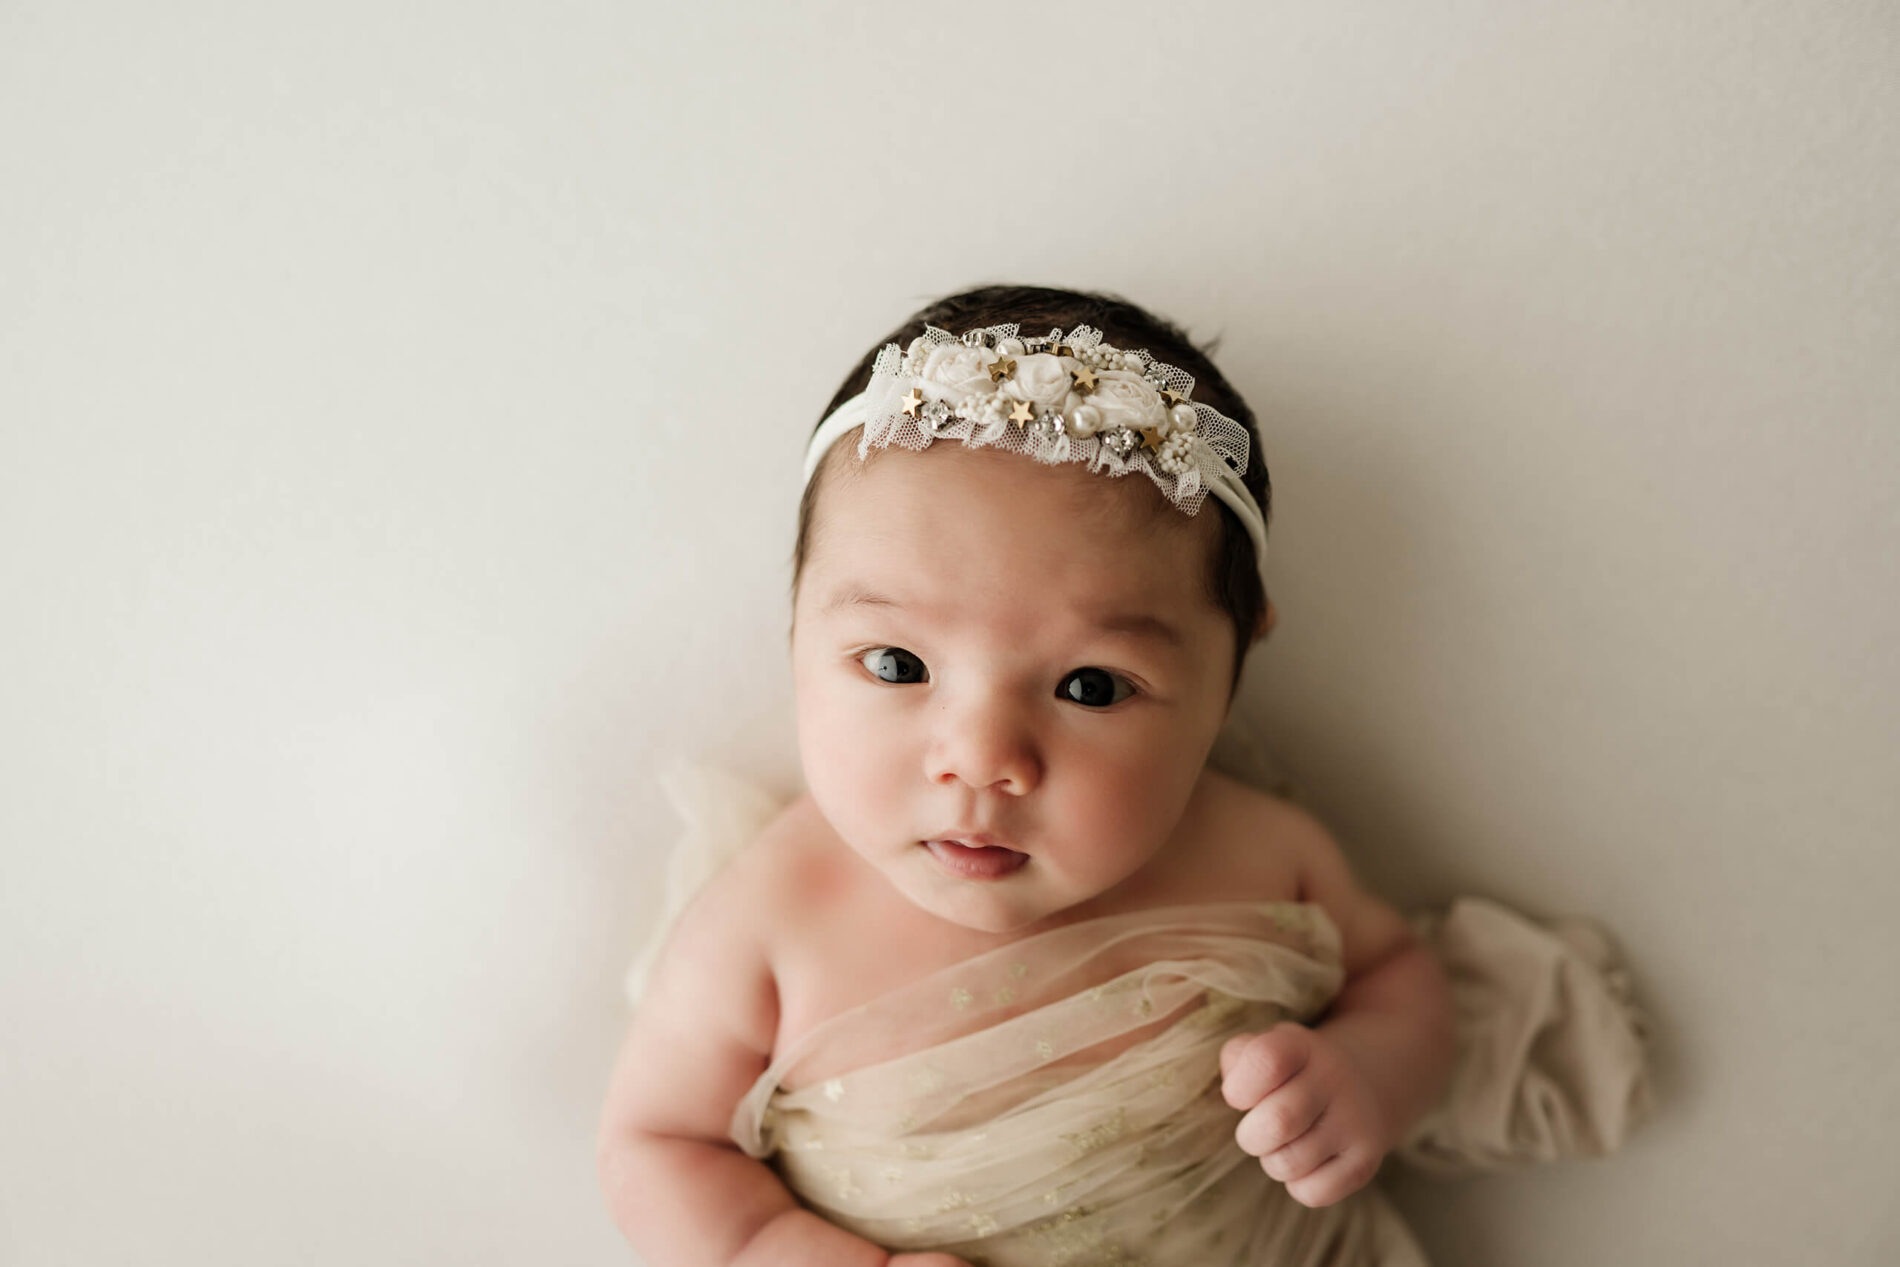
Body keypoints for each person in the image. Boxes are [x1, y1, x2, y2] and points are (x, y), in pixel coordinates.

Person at [596, 284, 1654, 1266]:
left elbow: (1399, 978)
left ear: (1226, 676)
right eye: (896, 664)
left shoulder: (1260, 853)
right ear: (793, 634)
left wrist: (1370, 1074)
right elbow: (656, 1143)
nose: (982, 759)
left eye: (1092, 686)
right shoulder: (775, 918)